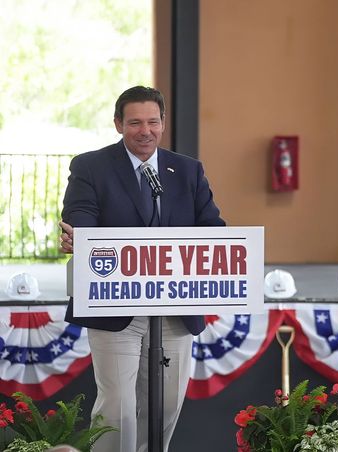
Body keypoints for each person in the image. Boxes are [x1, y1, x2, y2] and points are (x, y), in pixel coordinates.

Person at [58, 85, 225, 452]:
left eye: (152, 121)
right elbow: (80, 218)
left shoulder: (187, 170)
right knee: (117, 408)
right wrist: (83, 241)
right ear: (118, 124)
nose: (144, 130)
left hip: (175, 308)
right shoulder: (90, 166)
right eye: (134, 122)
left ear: (163, 123)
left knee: (164, 407)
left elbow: (213, 229)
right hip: (115, 305)